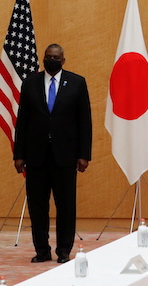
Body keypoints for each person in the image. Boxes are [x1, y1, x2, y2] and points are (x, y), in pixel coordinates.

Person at [13, 44, 92, 263]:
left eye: (56, 57)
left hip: (65, 157)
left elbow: (84, 122)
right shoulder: (30, 84)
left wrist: (84, 154)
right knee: (37, 206)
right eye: (48, 57)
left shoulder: (77, 83)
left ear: (63, 60)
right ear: (43, 59)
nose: (52, 60)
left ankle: (64, 250)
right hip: (36, 156)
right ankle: (42, 250)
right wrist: (18, 154)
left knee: (66, 205)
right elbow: (23, 122)